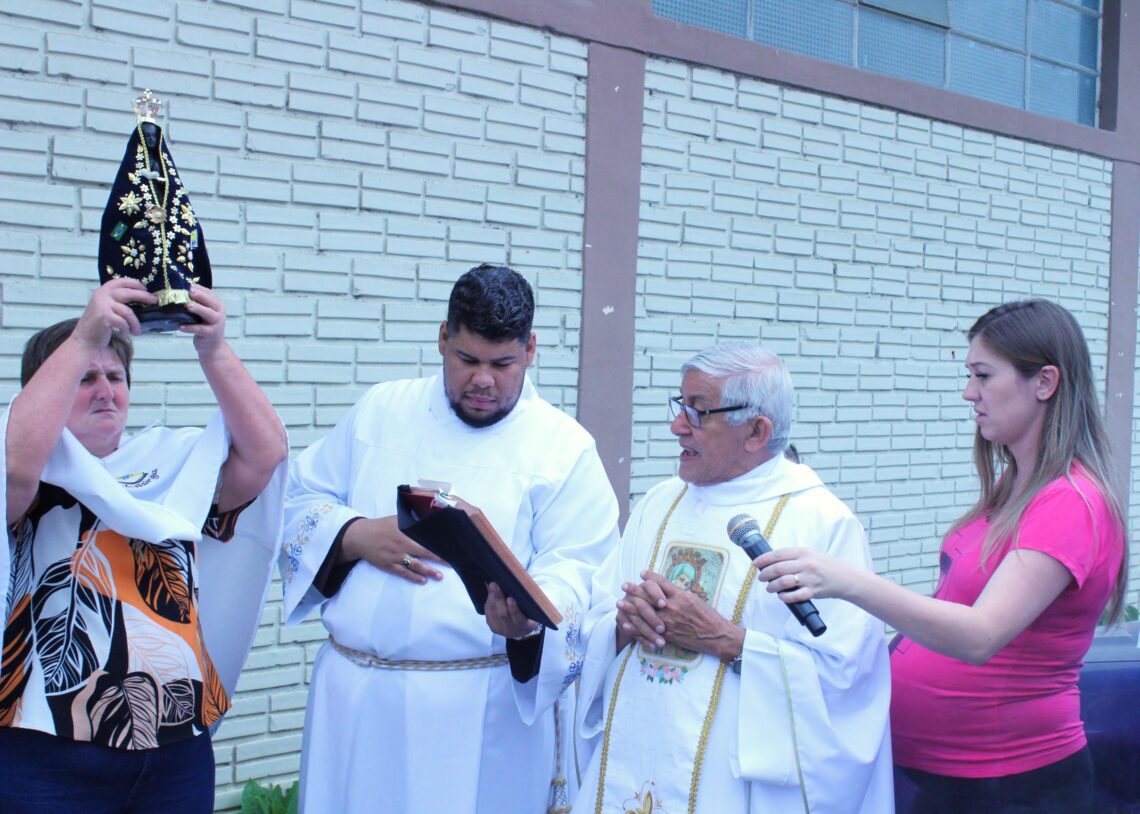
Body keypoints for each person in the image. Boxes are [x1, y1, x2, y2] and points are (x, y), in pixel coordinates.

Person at [755, 299, 1127, 813]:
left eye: (983, 375)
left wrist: (846, 580)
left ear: (1045, 382)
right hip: (946, 776)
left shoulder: (1070, 503)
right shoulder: (1015, 486)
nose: (969, 392)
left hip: (1010, 784)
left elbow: (980, 636)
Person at [281, 263, 620, 814]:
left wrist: (527, 620)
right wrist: (355, 535)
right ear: (443, 338)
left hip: (479, 712)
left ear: (530, 350)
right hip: (353, 701)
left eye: (502, 364)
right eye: (467, 359)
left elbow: (582, 568)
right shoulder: (381, 409)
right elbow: (298, 497)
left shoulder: (564, 449)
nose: (483, 380)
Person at [0, 278, 288, 813]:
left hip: (176, 747)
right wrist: (86, 336)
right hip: (47, 752)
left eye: (115, 376)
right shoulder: (28, 478)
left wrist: (213, 348)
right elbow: (14, 463)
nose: (105, 390)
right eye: (84, 377)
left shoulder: (175, 464)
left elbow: (265, 454)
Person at [572, 341, 893, 814]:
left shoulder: (821, 522)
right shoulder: (659, 503)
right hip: (636, 753)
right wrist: (623, 624)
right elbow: (599, 618)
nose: (677, 426)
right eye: (680, 405)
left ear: (756, 431)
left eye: (698, 411)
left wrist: (727, 640)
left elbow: (845, 680)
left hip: (733, 787)